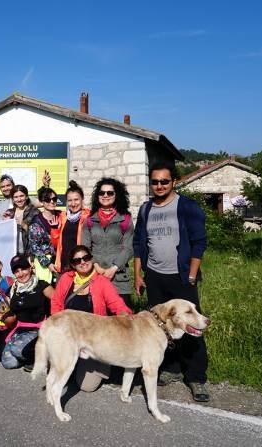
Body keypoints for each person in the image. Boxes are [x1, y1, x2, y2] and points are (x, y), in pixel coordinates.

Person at [133, 161, 210, 402]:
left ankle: (196, 377)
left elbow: (199, 241)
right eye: (154, 181)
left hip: (181, 276)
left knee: (192, 325)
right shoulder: (146, 209)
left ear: (173, 182)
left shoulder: (186, 206)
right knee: (162, 327)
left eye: (164, 181)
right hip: (154, 276)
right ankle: (172, 369)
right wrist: (138, 274)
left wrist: (191, 275)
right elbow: (138, 244)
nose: (159, 185)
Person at [51, 245, 132, 392]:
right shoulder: (65, 279)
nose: (82, 262)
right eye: (77, 260)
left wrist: (127, 317)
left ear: (91, 259)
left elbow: (116, 304)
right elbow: (56, 303)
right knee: (57, 374)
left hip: (93, 340)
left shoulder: (102, 282)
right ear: (73, 264)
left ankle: (103, 362)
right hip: (69, 336)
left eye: (86, 258)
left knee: (87, 386)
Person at [83, 178, 134, 304]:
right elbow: (85, 248)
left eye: (110, 193)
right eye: (102, 193)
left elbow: (129, 248)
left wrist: (113, 268)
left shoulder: (125, 219)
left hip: (119, 278)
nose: (105, 195)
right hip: (96, 274)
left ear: (117, 195)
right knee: (97, 320)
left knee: (121, 320)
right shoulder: (89, 220)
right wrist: (96, 266)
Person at [1, 255, 54, 371]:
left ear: (30, 268)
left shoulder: (42, 285)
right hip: (20, 330)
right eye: (17, 271)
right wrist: (3, 316)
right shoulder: (11, 290)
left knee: (17, 350)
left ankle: (44, 356)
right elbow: (11, 318)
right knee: (8, 362)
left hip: (39, 329)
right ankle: (31, 357)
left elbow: (58, 303)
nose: (21, 273)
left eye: (24, 269)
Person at [55, 180, 90, 272]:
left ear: (82, 199)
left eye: (76, 199)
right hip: (64, 264)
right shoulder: (62, 217)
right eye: (70, 200)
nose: (73, 204)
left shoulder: (89, 217)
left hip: (81, 265)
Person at [28, 186, 61, 284]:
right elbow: (35, 247)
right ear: (42, 202)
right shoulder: (36, 221)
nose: (52, 202)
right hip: (44, 261)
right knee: (45, 289)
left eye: (54, 199)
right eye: (47, 199)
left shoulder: (62, 216)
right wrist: (48, 264)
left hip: (61, 259)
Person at [5, 185, 39, 255]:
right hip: (13, 253)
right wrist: (4, 224)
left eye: (21, 196)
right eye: (16, 197)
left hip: (29, 253)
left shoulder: (35, 212)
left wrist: (24, 225)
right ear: (12, 199)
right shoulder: (9, 212)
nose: (19, 199)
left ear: (26, 197)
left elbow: (39, 235)